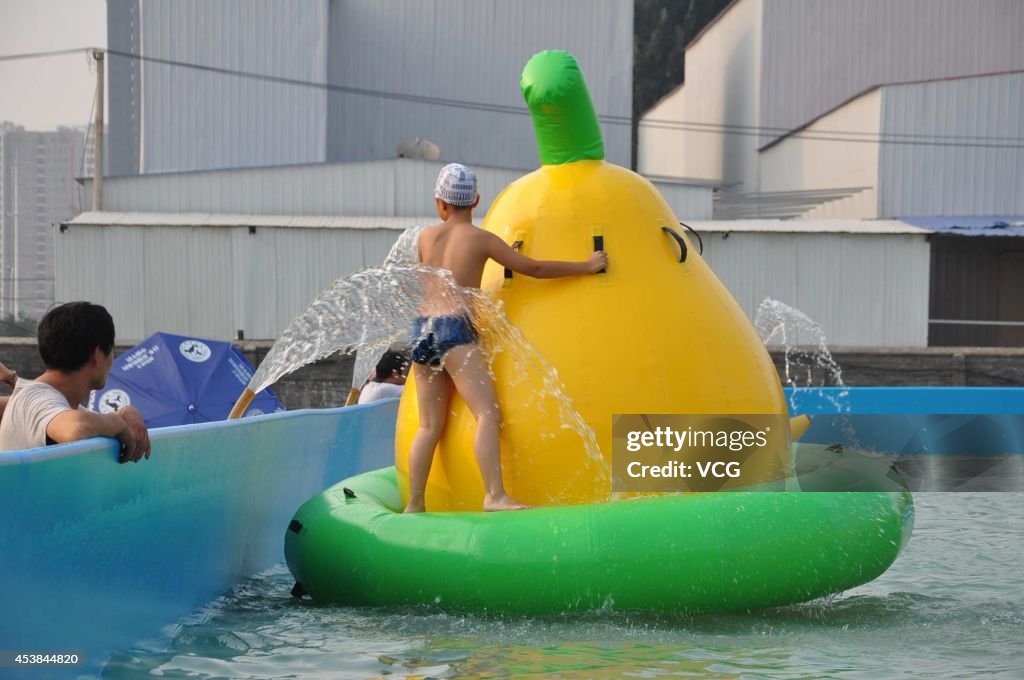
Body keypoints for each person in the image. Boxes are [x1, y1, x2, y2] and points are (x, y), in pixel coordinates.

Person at [405, 163, 607, 513]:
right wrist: (586, 266)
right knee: (487, 414)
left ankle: (415, 503)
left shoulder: (423, 238)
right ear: (477, 200)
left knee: (427, 425)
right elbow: (535, 269)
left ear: (440, 204)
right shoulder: (482, 240)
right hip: (455, 328)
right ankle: (495, 495)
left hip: (421, 330)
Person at [0, 302, 151, 462]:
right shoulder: (38, 398)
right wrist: (117, 423)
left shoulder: (50, 400)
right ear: (98, 355)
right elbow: (75, 428)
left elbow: (81, 419)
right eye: (111, 351)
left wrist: (125, 412)